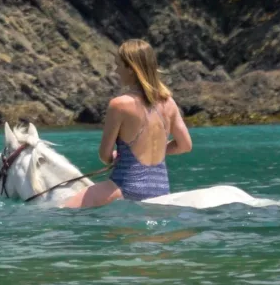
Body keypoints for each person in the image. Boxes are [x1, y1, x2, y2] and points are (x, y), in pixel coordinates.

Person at [62, 39, 193, 209]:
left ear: (131, 68)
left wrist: (117, 156)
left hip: (125, 187)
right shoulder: (169, 103)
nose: (116, 70)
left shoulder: (119, 105)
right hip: (161, 190)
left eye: (119, 65)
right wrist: (153, 151)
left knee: (63, 208)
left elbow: (104, 155)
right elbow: (185, 145)